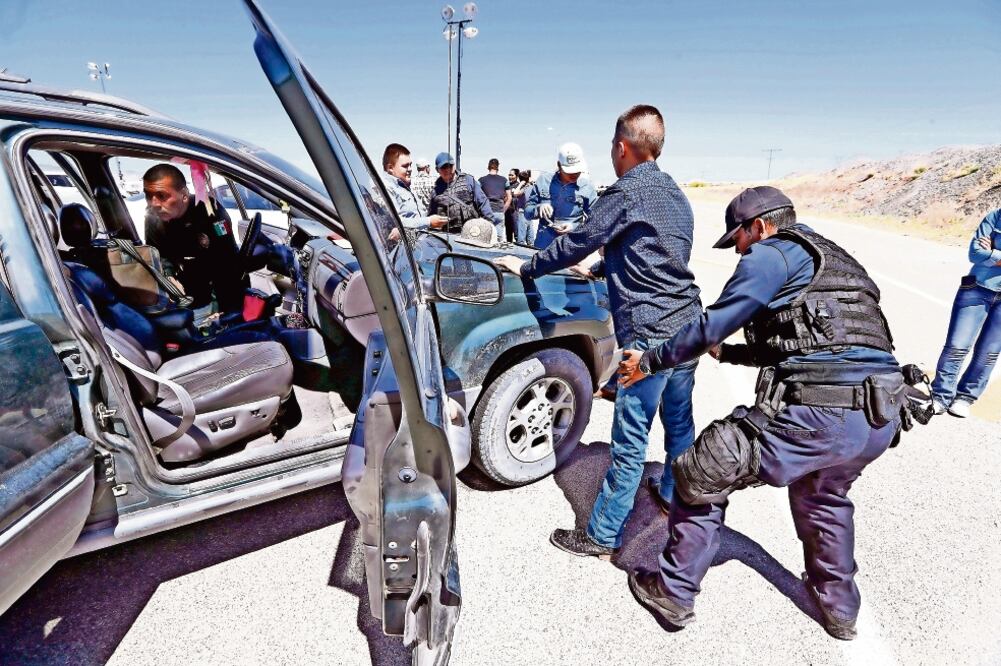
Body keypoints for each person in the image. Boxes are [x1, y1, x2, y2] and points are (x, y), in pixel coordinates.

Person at [619, 186, 905, 641]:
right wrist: (730, 355)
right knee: (823, 497)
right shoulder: (834, 257)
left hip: (819, 415)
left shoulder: (772, 254)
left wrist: (650, 361)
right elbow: (813, 342)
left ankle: (672, 592)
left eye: (738, 240)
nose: (738, 251)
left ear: (761, 226)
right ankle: (841, 611)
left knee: (701, 470)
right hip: (878, 416)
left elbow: (715, 320)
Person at [494, 104, 702, 557]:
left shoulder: (625, 192)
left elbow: (576, 240)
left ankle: (602, 534)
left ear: (622, 147)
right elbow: (655, 252)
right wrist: (604, 266)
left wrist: (527, 267)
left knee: (630, 437)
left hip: (648, 335)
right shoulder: (676, 196)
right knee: (679, 422)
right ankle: (673, 492)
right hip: (688, 325)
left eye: (612, 146)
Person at [142, 163, 247, 319]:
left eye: (162, 196)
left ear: (184, 194)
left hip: (217, 289)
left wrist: (225, 308)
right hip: (183, 294)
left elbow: (228, 261)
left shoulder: (211, 211)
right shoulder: (153, 220)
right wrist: (169, 276)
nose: (154, 203)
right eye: (148, 195)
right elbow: (158, 255)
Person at [929, 207, 1001, 417]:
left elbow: (985, 255)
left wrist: (993, 253)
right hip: (977, 288)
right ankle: (941, 397)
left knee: (989, 353)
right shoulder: (995, 217)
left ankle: (965, 397)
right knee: (956, 346)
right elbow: (975, 254)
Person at [524, 142, 598, 249]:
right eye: (569, 171)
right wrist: (538, 208)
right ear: (559, 165)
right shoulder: (543, 181)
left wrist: (574, 227)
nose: (574, 174)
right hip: (544, 247)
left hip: (573, 248)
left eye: (577, 170)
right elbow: (527, 213)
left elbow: (596, 219)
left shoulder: (587, 187)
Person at [380, 144, 448, 231]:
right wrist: (429, 222)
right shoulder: (386, 188)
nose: (410, 169)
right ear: (390, 168)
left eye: (410, 165)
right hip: (409, 242)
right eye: (405, 166)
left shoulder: (407, 185)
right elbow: (395, 222)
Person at [428, 152, 495, 233]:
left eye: (450, 166)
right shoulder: (436, 192)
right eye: (443, 167)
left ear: (454, 165)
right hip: (449, 236)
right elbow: (431, 217)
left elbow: (483, 203)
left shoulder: (468, 180)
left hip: (472, 232)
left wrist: (489, 225)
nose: (447, 169)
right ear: (437, 170)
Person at [479, 158, 511, 240]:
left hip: (486, 212)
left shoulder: (481, 180)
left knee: (486, 238)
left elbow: (476, 196)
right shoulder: (504, 180)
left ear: (488, 167)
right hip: (499, 212)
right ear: (498, 167)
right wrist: (503, 210)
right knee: (499, 239)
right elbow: (509, 198)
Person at [510, 169, 534, 244]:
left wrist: (520, 184)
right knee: (530, 238)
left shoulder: (524, 188)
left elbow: (515, 193)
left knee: (521, 240)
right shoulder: (532, 187)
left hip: (522, 213)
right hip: (530, 213)